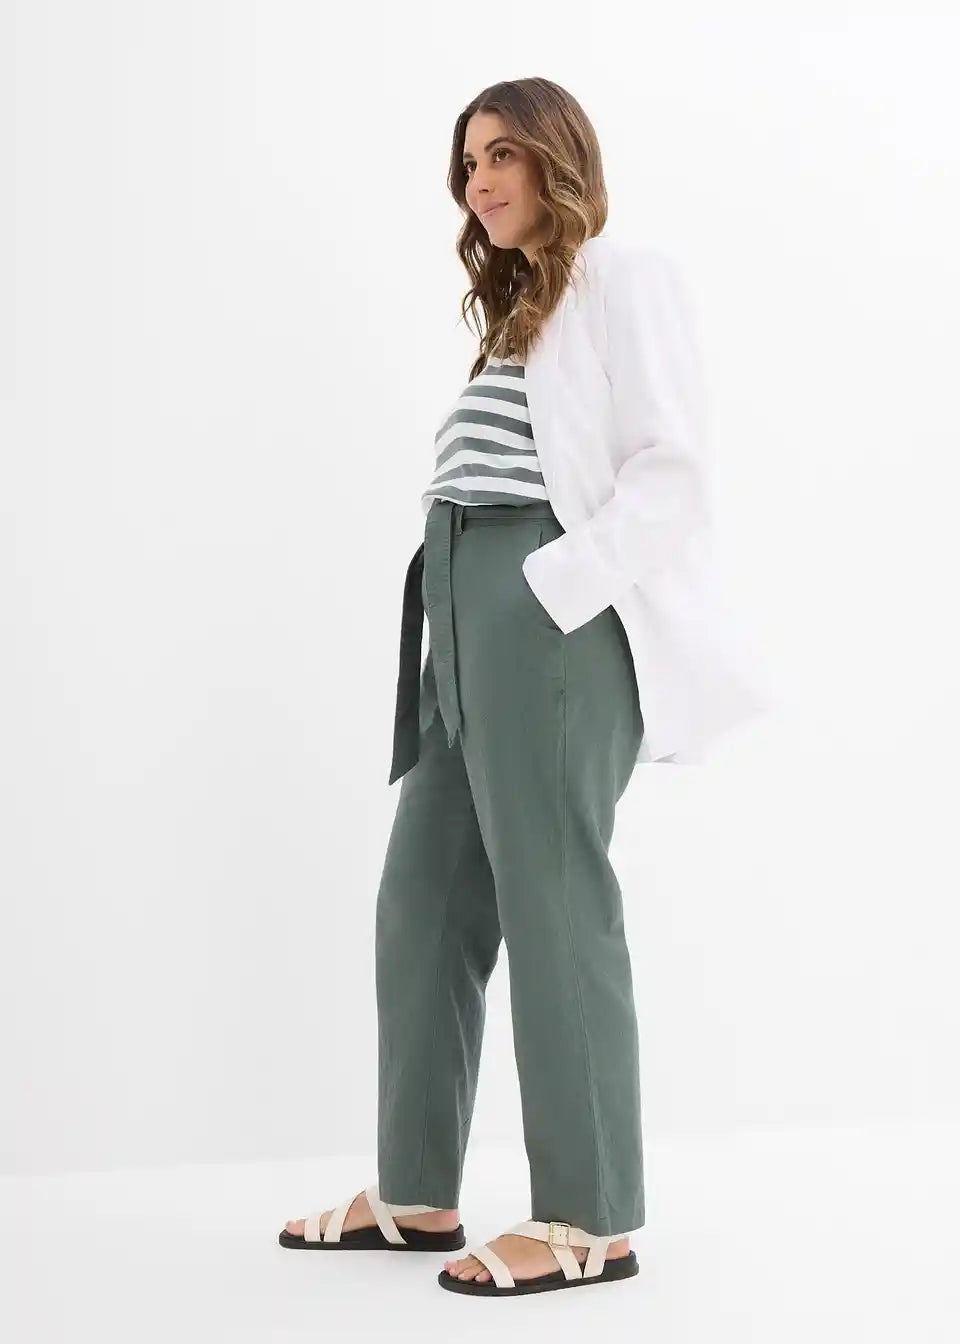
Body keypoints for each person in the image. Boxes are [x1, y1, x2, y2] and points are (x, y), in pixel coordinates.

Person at [278, 76, 762, 1298]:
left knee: (553, 900)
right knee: (423, 901)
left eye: (500, 153)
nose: (479, 180)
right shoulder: (517, 315)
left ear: (557, 156)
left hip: (544, 620)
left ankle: (590, 1219)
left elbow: (673, 472)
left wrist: (552, 589)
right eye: (467, 163)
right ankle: (414, 1195)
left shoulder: (622, 277)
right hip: (459, 612)